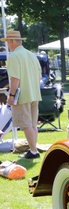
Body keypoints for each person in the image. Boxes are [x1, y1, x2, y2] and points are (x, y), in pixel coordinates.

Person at [2, 30, 42, 159]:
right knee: (32, 124)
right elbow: (39, 77)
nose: (8, 44)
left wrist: (11, 95)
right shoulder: (31, 55)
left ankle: (34, 151)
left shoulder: (14, 56)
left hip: (22, 95)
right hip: (34, 94)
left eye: (8, 41)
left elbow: (15, 79)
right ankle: (33, 149)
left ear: (12, 41)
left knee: (26, 125)